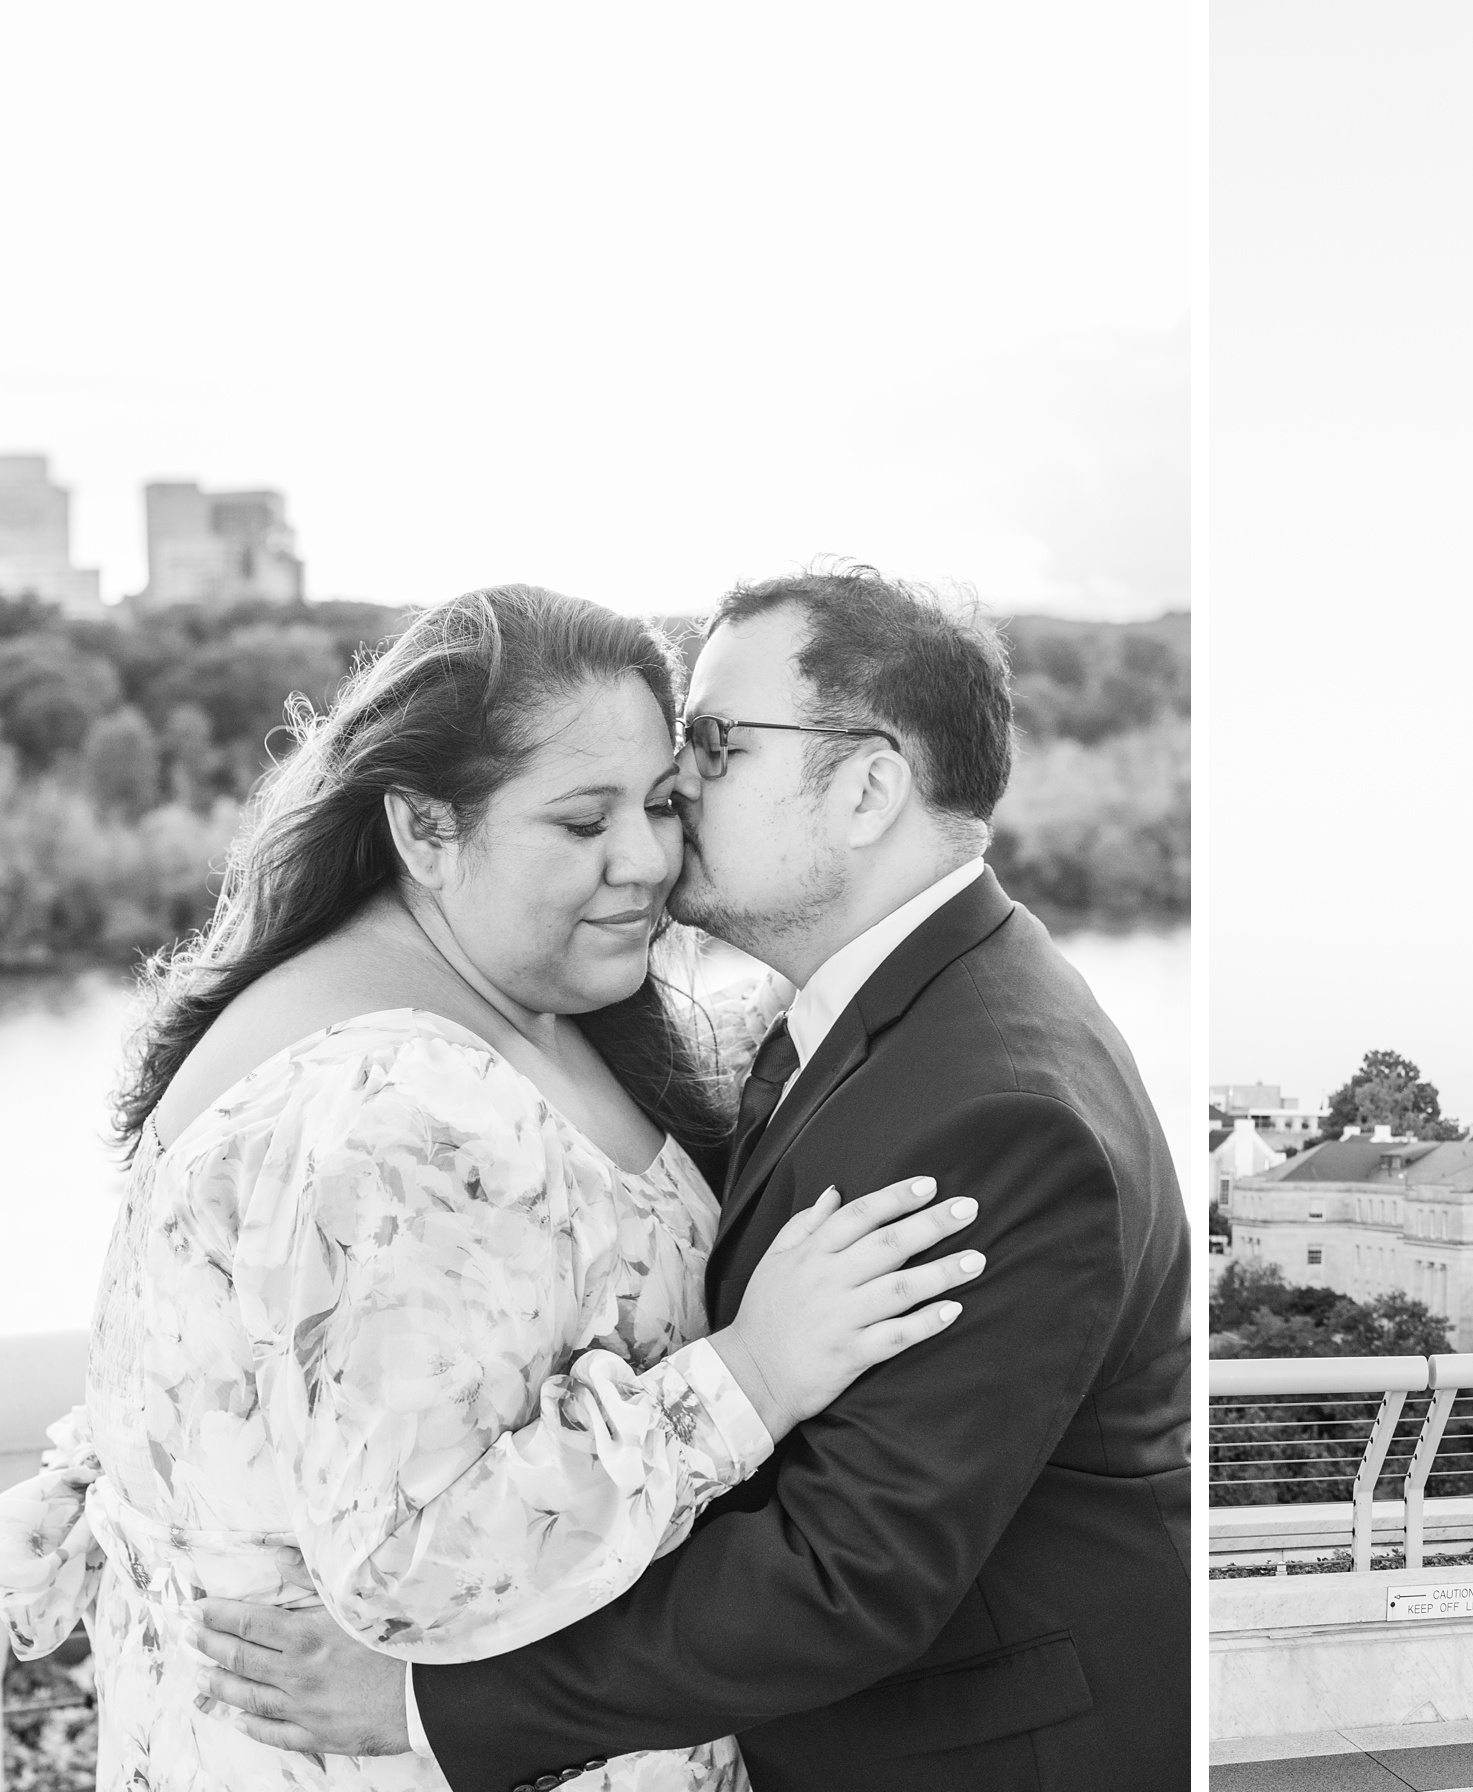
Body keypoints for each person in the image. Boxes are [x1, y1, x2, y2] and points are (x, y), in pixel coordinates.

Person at [190, 567, 1192, 1792]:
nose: (680, 791)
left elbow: (846, 1571)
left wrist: (432, 1706)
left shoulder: (997, 1112)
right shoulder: (890, 1011)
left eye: (716, 743)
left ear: (871, 786)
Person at [0, 584, 987, 1792]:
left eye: (664, 804)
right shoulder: (388, 1109)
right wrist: (752, 1377)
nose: (647, 859)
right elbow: (419, 1562)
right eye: (582, 823)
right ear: (424, 829)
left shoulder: (522, 1002)